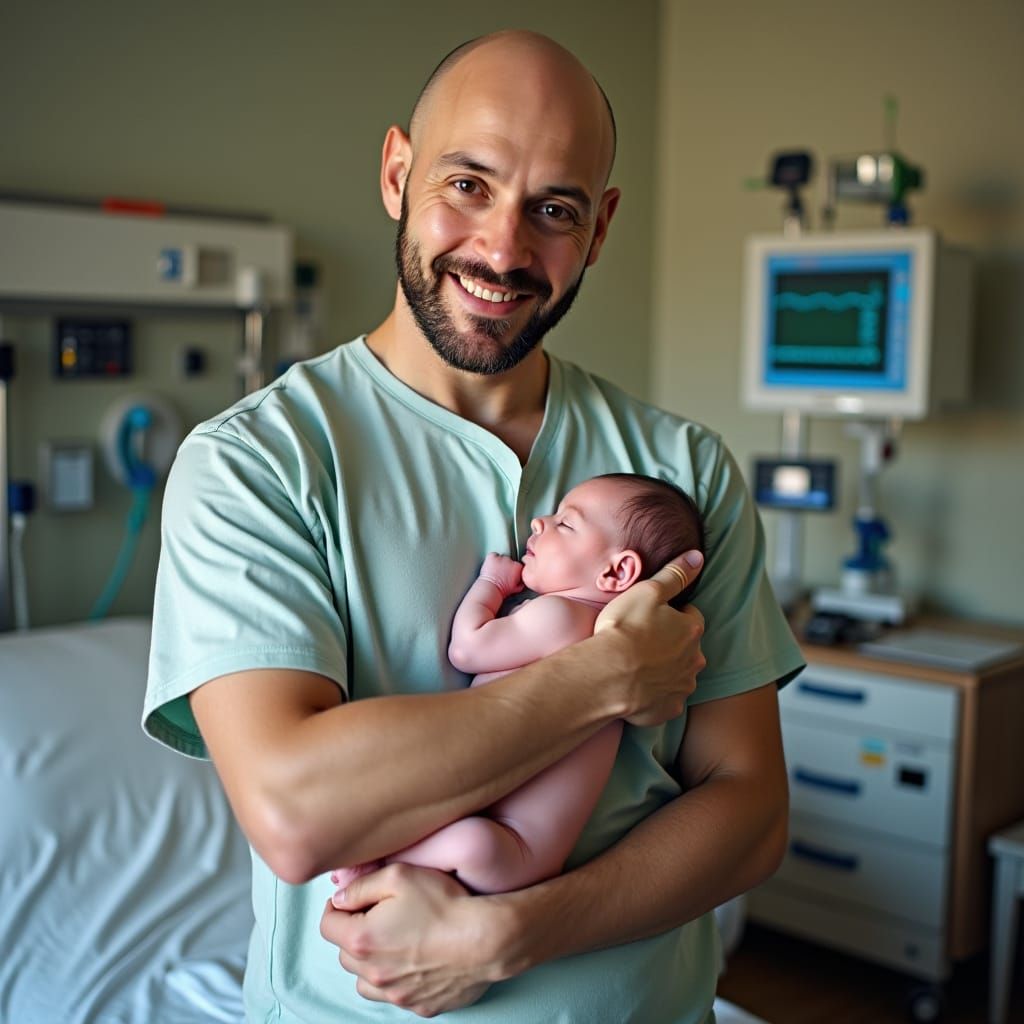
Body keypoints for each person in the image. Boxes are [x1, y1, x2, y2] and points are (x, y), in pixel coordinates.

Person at [143, 28, 805, 1024]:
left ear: (601, 225)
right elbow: (294, 812)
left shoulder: (684, 472)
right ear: (398, 171)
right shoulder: (258, 464)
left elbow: (750, 812)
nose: (503, 248)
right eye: (466, 184)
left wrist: (514, 932)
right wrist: (600, 678)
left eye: (553, 209)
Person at [330, 472, 706, 896]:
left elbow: (467, 651)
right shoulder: (613, 638)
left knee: (468, 839)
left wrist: (491, 585)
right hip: (523, 849)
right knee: (469, 840)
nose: (539, 523)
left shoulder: (560, 617)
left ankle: (382, 860)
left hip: (513, 847)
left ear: (617, 571)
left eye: (566, 523)